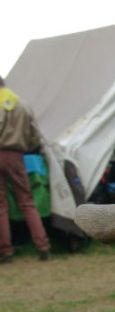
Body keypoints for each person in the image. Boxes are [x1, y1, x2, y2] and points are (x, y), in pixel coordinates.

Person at [0, 74, 50, 263]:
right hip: (17, 155)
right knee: (27, 201)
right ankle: (42, 245)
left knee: (1, 205)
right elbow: (35, 136)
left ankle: (5, 251)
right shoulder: (22, 104)